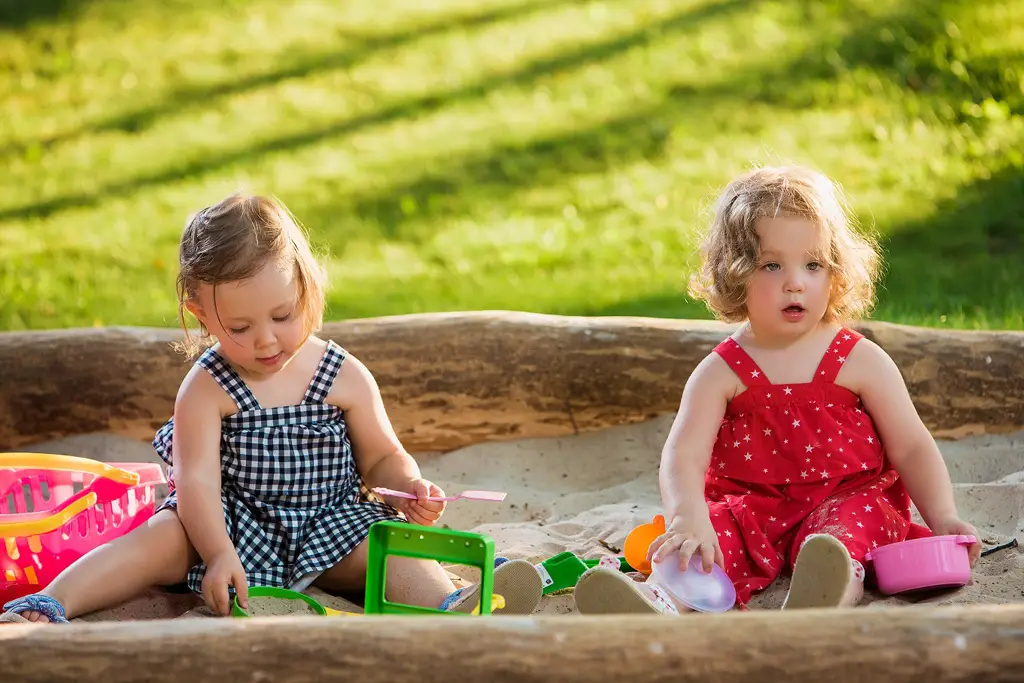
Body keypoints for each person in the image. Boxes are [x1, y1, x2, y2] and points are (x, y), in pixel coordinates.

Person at [2, 193, 542, 623]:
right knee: (156, 539)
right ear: (202, 316)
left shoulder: (342, 374)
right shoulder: (207, 387)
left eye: (283, 315)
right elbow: (196, 486)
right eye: (239, 328)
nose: (265, 341)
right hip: (229, 523)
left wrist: (409, 487)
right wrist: (215, 552)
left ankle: (451, 608)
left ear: (306, 288)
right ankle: (47, 606)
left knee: (392, 548)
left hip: (332, 525)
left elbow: (381, 458)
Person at [574, 165, 980, 614]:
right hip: (754, 510)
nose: (796, 282)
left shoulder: (859, 360)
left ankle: (827, 591)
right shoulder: (721, 372)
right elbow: (682, 456)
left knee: (847, 531)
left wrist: (943, 515)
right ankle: (661, 599)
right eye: (772, 265)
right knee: (707, 540)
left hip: (844, 499)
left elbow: (912, 446)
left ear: (835, 271)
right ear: (735, 274)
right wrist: (687, 516)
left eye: (813, 264)